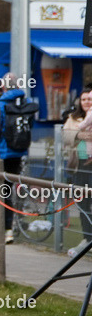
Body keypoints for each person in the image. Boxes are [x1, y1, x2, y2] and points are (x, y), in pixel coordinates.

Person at [0, 73, 30, 244]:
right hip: (21, 150)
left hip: (4, 151)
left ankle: (4, 228)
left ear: (3, 87)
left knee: (2, 190)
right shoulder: (26, 102)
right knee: (13, 188)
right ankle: (14, 226)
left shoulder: (1, 104)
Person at [64, 89, 92, 257]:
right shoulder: (73, 118)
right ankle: (87, 238)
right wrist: (81, 135)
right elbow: (66, 137)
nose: (87, 102)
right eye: (83, 99)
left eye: (89, 99)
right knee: (82, 202)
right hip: (79, 164)